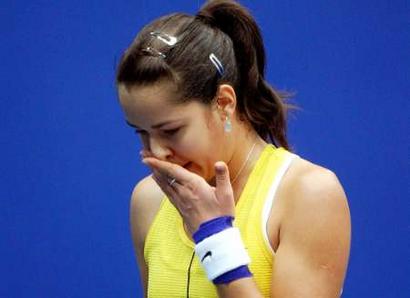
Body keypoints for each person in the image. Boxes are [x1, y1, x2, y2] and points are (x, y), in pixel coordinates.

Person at [115, 0, 351, 297]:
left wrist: (215, 237)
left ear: (224, 103)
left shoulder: (309, 195)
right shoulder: (147, 200)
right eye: (142, 133)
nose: (156, 153)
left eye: (171, 131)